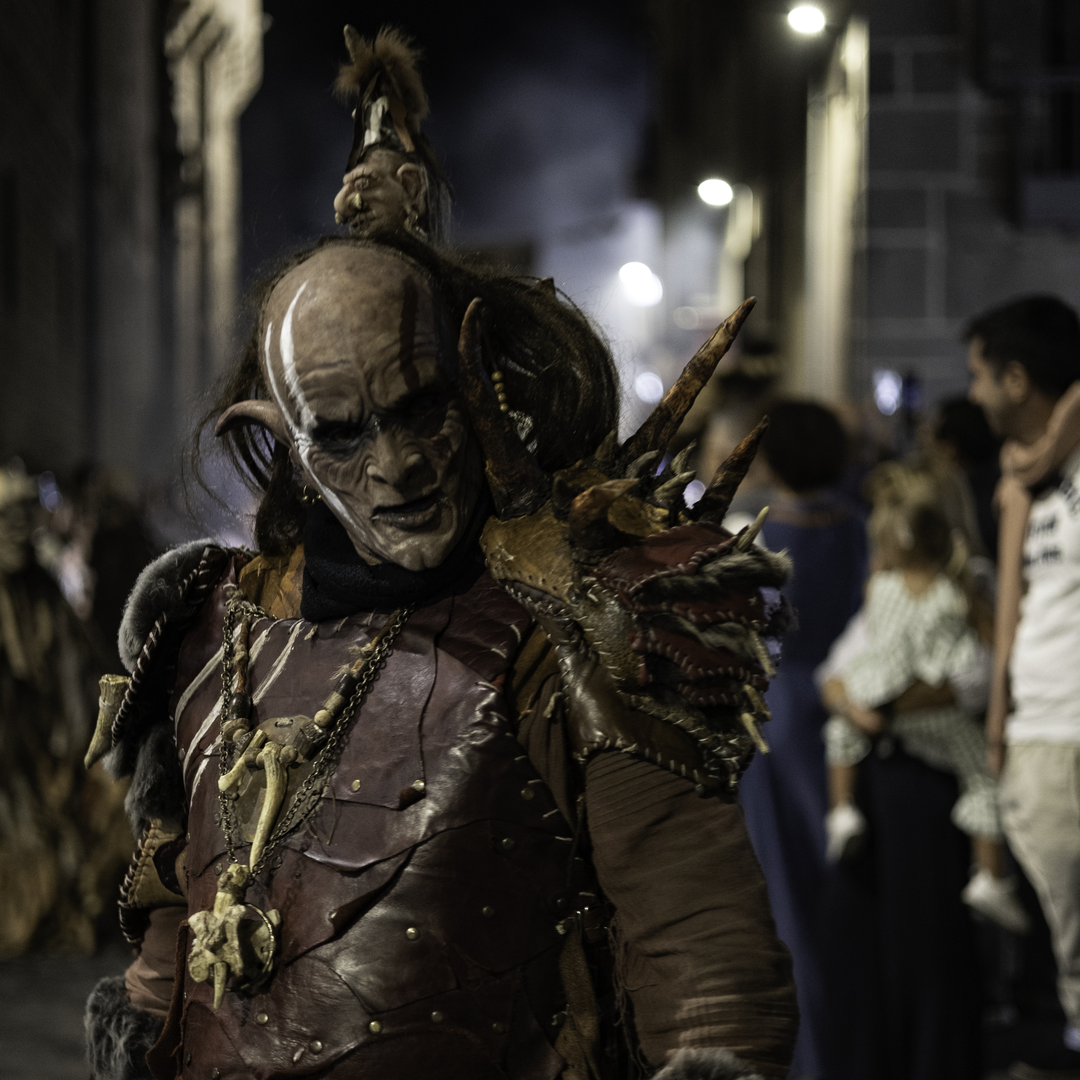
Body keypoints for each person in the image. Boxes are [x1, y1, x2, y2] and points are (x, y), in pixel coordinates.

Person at [83, 228, 800, 1080]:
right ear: (280, 439)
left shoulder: (574, 630)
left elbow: (705, 969)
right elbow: (175, 932)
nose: (398, 466)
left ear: (475, 386)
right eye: (342, 434)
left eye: (421, 407)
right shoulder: (208, 629)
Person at [818, 463, 1027, 934]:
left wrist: (869, 706)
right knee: (983, 778)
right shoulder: (957, 591)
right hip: (922, 739)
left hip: (894, 721)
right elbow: (833, 674)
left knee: (840, 736)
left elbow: (981, 674)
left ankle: (841, 811)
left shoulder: (900, 587)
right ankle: (991, 875)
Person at [736, 399, 866, 1080]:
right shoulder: (862, 528)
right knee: (848, 898)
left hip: (776, 716)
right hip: (852, 713)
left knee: (787, 908)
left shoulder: (753, 536)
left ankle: (811, 1060)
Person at [968, 295, 1080, 1077]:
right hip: (1038, 733)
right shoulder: (1017, 483)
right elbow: (1017, 610)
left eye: (980, 375)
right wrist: (999, 727)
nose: (971, 393)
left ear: (1016, 378)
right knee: (1066, 938)